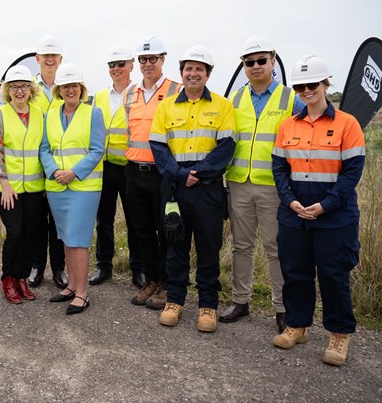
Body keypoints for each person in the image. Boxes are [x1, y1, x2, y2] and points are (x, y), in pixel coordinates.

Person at [271, 55, 365, 367]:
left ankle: (339, 333)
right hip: (295, 213)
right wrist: (289, 201)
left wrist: (325, 206)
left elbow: (352, 173)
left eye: (312, 85)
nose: (307, 91)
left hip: (334, 217)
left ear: (326, 85)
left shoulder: (347, 124)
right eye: (300, 86)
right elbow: (279, 168)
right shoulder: (287, 126)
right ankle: (297, 325)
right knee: (295, 273)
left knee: (333, 275)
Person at [220, 36, 304, 333]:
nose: (255, 66)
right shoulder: (235, 99)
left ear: (272, 61)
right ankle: (241, 302)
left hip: (274, 186)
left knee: (276, 248)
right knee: (241, 246)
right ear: (243, 66)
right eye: (249, 62)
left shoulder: (290, 98)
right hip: (239, 182)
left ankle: (282, 309)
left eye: (260, 61)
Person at [150, 45, 236, 333]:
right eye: (188, 68)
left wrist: (196, 174)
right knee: (175, 246)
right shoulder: (166, 106)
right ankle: (174, 301)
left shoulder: (223, 106)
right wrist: (180, 175)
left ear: (208, 74)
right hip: (174, 189)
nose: (193, 73)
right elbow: (158, 148)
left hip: (208, 190)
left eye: (199, 69)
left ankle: (208, 305)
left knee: (208, 248)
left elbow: (226, 148)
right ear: (182, 73)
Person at [40, 64, 105, 315]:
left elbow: (98, 150)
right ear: (59, 90)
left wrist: (74, 173)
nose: (70, 90)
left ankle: (82, 293)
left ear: (81, 89)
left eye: (74, 86)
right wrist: (55, 171)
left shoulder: (93, 113)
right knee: (66, 237)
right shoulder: (50, 114)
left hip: (84, 186)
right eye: (65, 86)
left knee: (78, 240)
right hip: (57, 185)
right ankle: (70, 287)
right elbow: (45, 149)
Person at [124, 36, 181, 308]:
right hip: (135, 171)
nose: (148, 64)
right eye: (143, 59)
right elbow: (129, 131)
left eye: (153, 59)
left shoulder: (176, 91)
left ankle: (168, 286)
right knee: (142, 230)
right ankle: (152, 280)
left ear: (163, 60)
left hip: (163, 174)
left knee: (165, 230)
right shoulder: (130, 93)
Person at [0, 65, 44, 304]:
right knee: (15, 232)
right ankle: (8, 279)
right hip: (7, 188)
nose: (19, 91)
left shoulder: (40, 114)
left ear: (31, 89)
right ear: (7, 90)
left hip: (34, 186)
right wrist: (5, 182)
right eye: (14, 87)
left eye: (23, 86)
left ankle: (22, 277)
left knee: (30, 233)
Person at [89, 45, 142, 286]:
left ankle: (138, 268)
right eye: (112, 65)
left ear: (131, 65)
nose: (116, 69)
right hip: (104, 166)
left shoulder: (140, 93)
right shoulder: (99, 96)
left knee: (135, 220)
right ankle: (104, 265)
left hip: (130, 166)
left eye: (121, 64)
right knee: (104, 219)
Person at [28, 35, 67, 289]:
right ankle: (36, 266)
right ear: (37, 59)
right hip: (32, 164)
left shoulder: (68, 87)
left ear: (61, 59)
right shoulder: (27, 87)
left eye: (54, 56)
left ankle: (59, 269)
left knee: (59, 221)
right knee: (36, 219)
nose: (50, 60)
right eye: (45, 56)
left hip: (61, 166)